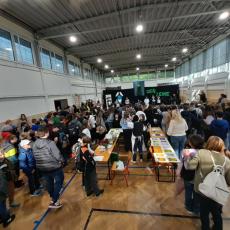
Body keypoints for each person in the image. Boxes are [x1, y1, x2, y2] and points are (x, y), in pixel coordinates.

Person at [186, 136, 230, 230]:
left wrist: (188, 156)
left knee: (204, 213)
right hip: (218, 192)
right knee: (216, 213)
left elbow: (190, 166)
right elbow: (229, 181)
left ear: (208, 143)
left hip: (202, 190)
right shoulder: (227, 160)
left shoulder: (202, 153)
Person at [33, 127, 64, 209]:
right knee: (59, 182)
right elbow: (57, 155)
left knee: (48, 183)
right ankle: (54, 200)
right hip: (54, 167)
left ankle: (53, 199)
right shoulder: (50, 143)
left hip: (42, 167)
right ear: (47, 133)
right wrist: (62, 161)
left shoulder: (34, 143)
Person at [181, 135, 204, 215]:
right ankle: (196, 209)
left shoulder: (186, 151)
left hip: (188, 176)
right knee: (197, 194)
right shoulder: (204, 152)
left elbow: (186, 166)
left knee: (188, 192)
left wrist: (186, 159)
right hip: (199, 177)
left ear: (191, 143)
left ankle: (189, 208)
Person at [0, 149, 16, 228]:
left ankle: (2, 217)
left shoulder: (6, 160)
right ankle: (6, 219)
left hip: (6, 183)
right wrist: (5, 192)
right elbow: (2, 183)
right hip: (2, 189)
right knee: (1, 205)